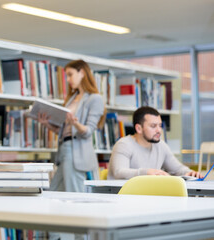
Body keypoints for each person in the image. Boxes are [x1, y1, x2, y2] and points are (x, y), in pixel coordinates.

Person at [36, 59, 105, 192]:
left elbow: (88, 131)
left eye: (70, 74)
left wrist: (75, 123)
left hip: (76, 152)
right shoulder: (72, 99)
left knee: (73, 193)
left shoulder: (94, 98)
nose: (68, 79)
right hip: (63, 150)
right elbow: (65, 131)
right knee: (53, 191)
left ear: (82, 73)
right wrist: (47, 124)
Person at [108, 106, 201, 179]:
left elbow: (177, 169)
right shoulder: (124, 144)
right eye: (153, 126)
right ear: (138, 128)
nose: (159, 130)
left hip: (148, 197)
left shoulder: (161, 145)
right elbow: (118, 172)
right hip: (122, 197)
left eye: (160, 125)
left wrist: (189, 172)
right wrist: (147, 172)